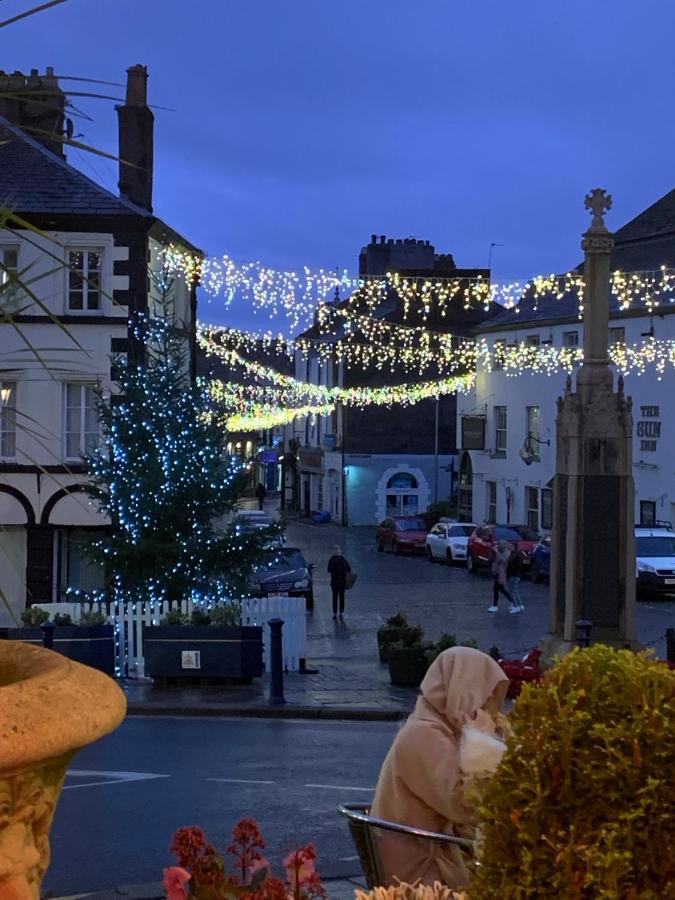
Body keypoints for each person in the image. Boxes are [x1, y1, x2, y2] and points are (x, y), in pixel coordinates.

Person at [371, 647, 510, 888]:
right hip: (425, 871)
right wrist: (483, 743)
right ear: (462, 691)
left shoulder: (442, 728)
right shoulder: (422, 734)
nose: (489, 710)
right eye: (483, 697)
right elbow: (469, 806)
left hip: (445, 851)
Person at [488, 539, 515, 613]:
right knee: (501, 589)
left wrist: (496, 551)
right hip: (497, 572)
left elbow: (501, 560)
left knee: (496, 589)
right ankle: (512, 602)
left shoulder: (506, 553)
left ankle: (495, 606)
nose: (498, 546)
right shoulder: (500, 552)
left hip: (501, 573)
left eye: (499, 545)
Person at [327, 545, 351, 620]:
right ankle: (341, 612)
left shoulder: (331, 560)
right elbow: (349, 568)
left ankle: (334, 613)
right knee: (342, 597)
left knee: (334, 597)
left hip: (334, 582)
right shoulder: (343, 559)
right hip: (342, 582)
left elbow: (329, 570)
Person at [506, 545, 525, 613]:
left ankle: (516, 606)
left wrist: (510, 568)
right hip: (514, 574)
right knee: (514, 590)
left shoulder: (516, 555)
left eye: (511, 547)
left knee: (511, 591)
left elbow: (517, 565)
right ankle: (519, 605)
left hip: (514, 575)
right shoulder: (515, 554)